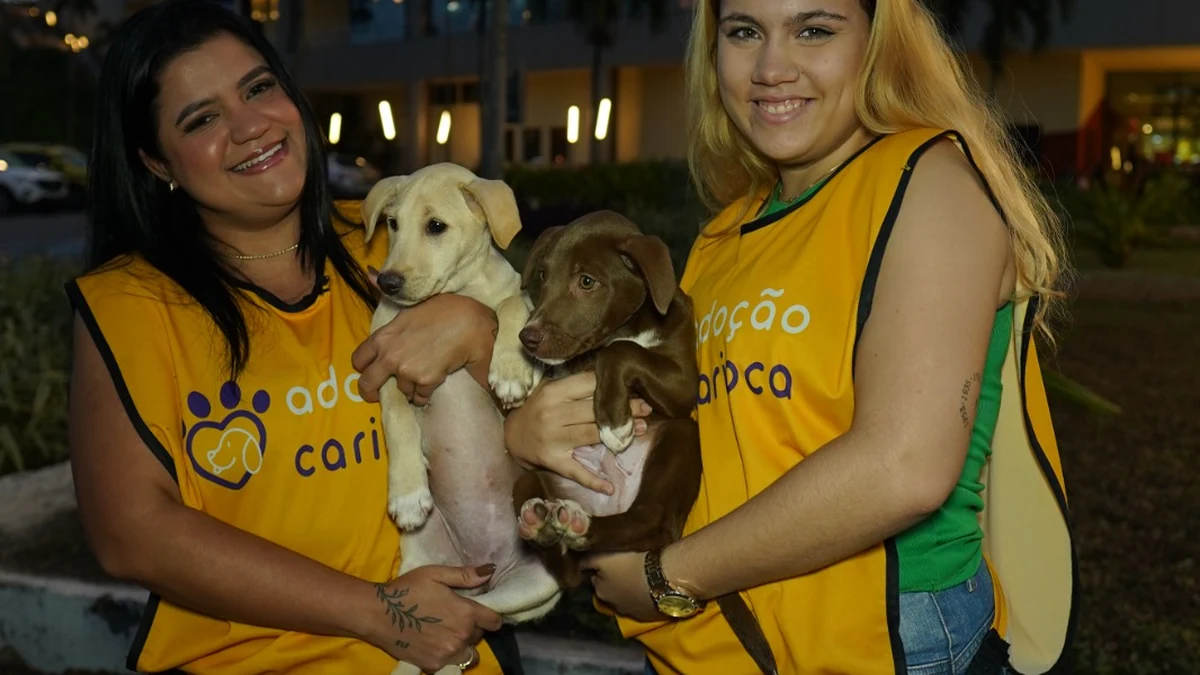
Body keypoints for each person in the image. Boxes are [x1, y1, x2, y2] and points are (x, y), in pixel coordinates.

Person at [501, 1, 1078, 674]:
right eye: (744, 32)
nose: (772, 68)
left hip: (887, 637)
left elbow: (904, 467)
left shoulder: (928, 184)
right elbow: (691, 430)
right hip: (744, 636)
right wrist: (530, 433)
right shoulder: (726, 233)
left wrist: (667, 575)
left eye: (814, 30)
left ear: (879, 42)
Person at [65, 1, 521, 672]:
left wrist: (480, 325)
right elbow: (132, 533)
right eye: (203, 118)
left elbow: (535, 413)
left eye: (258, 87)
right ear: (156, 161)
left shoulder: (403, 240)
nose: (251, 126)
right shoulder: (129, 302)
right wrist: (378, 611)